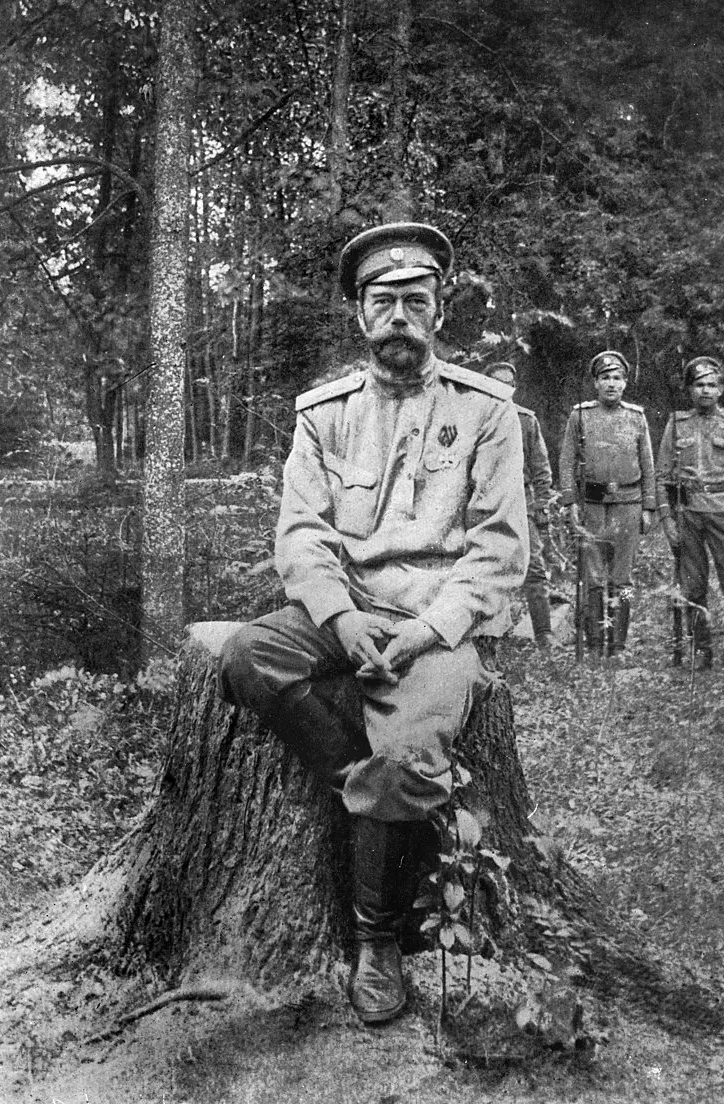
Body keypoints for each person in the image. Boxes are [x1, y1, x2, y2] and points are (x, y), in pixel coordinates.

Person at [218, 222, 529, 1025]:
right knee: (249, 656)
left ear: (438, 312)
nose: (399, 316)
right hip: (347, 609)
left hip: (440, 623)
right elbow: (302, 533)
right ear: (360, 314)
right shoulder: (324, 414)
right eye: (382, 302)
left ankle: (378, 940)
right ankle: (372, 788)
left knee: (406, 757)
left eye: (414, 301)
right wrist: (341, 617)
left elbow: (499, 549)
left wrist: (427, 630)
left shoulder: (487, 413)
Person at [655, 356, 724, 679]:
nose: (705, 390)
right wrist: (667, 519)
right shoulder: (677, 424)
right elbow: (663, 476)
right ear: (690, 390)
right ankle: (701, 650)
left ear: (720, 390)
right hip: (688, 515)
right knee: (693, 587)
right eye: (699, 385)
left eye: (711, 385)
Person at [559, 350, 656, 656]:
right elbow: (566, 461)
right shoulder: (581, 415)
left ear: (625, 383)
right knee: (594, 574)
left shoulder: (636, 417)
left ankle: (617, 643)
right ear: (596, 383)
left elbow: (648, 464)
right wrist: (570, 501)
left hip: (629, 502)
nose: (611, 384)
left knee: (623, 576)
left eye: (617, 378)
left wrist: (649, 507)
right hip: (593, 502)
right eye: (605, 378)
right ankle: (595, 641)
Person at [485, 361, 555, 649]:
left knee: (534, 568)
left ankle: (543, 632)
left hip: (522, 505)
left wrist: (542, 507)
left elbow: (541, 469)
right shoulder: (475, 420)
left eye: (509, 383)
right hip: (487, 505)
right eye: (496, 382)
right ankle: (489, 633)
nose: (503, 388)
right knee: (487, 568)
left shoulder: (526, 421)